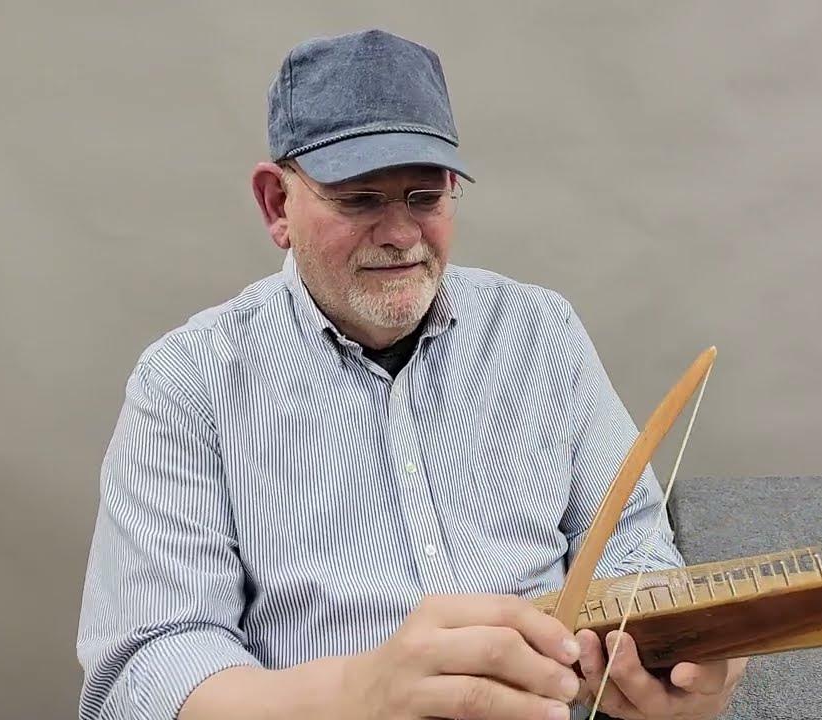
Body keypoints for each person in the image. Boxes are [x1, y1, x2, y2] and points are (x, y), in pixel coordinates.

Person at [76, 28, 747, 720]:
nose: (400, 233)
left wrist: (676, 658)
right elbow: (143, 674)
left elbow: (633, 547)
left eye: (425, 197)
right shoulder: (187, 384)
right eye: (361, 199)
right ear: (277, 203)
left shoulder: (543, 334)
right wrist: (357, 693)